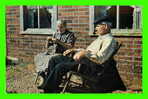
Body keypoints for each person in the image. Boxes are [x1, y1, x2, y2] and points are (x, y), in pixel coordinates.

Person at [41, 20, 126, 93]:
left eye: (97, 26)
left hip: (90, 65)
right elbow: (89, 50)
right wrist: (74, 50)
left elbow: (100, 58)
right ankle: (52, 87)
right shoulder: (100, 38)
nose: (95, 29)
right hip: (82, 60)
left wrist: (84, 53)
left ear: (106, 26)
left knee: (60, 66)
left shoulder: (109, 40)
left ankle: (48, 90)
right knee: (54, 59)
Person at [34, 20, 76, 86]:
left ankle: (46, 78)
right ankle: (43, 74)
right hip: (53, 53)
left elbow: (70, 47)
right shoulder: (55, 33)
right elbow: (47, 47)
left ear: (65, 26)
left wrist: (59, 42)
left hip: (63, 54)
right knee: (39, 56)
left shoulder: (70, 34)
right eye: (58, 27)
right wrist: (47, 41)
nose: (59, 29)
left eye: (61, 27)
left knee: (50, 59)